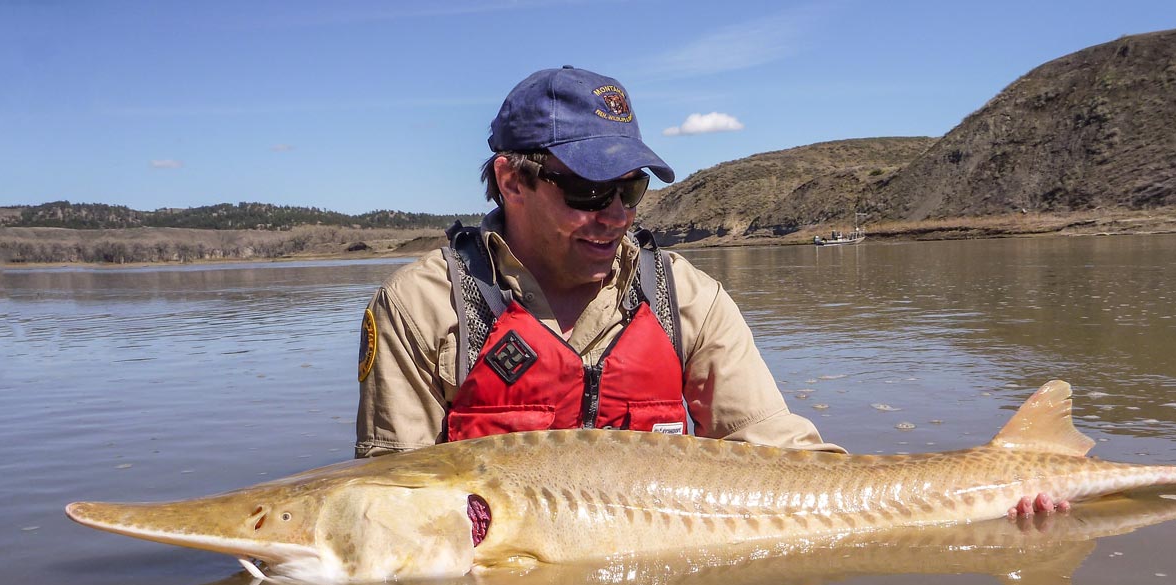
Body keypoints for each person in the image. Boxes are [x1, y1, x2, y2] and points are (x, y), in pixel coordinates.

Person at [353, 66, 841, 459]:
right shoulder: (418, 307)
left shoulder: (690, 298)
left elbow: (776, 449)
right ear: (512, 181)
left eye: (631, 190)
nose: (617, 216)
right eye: (588, 190)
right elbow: (394, 501)